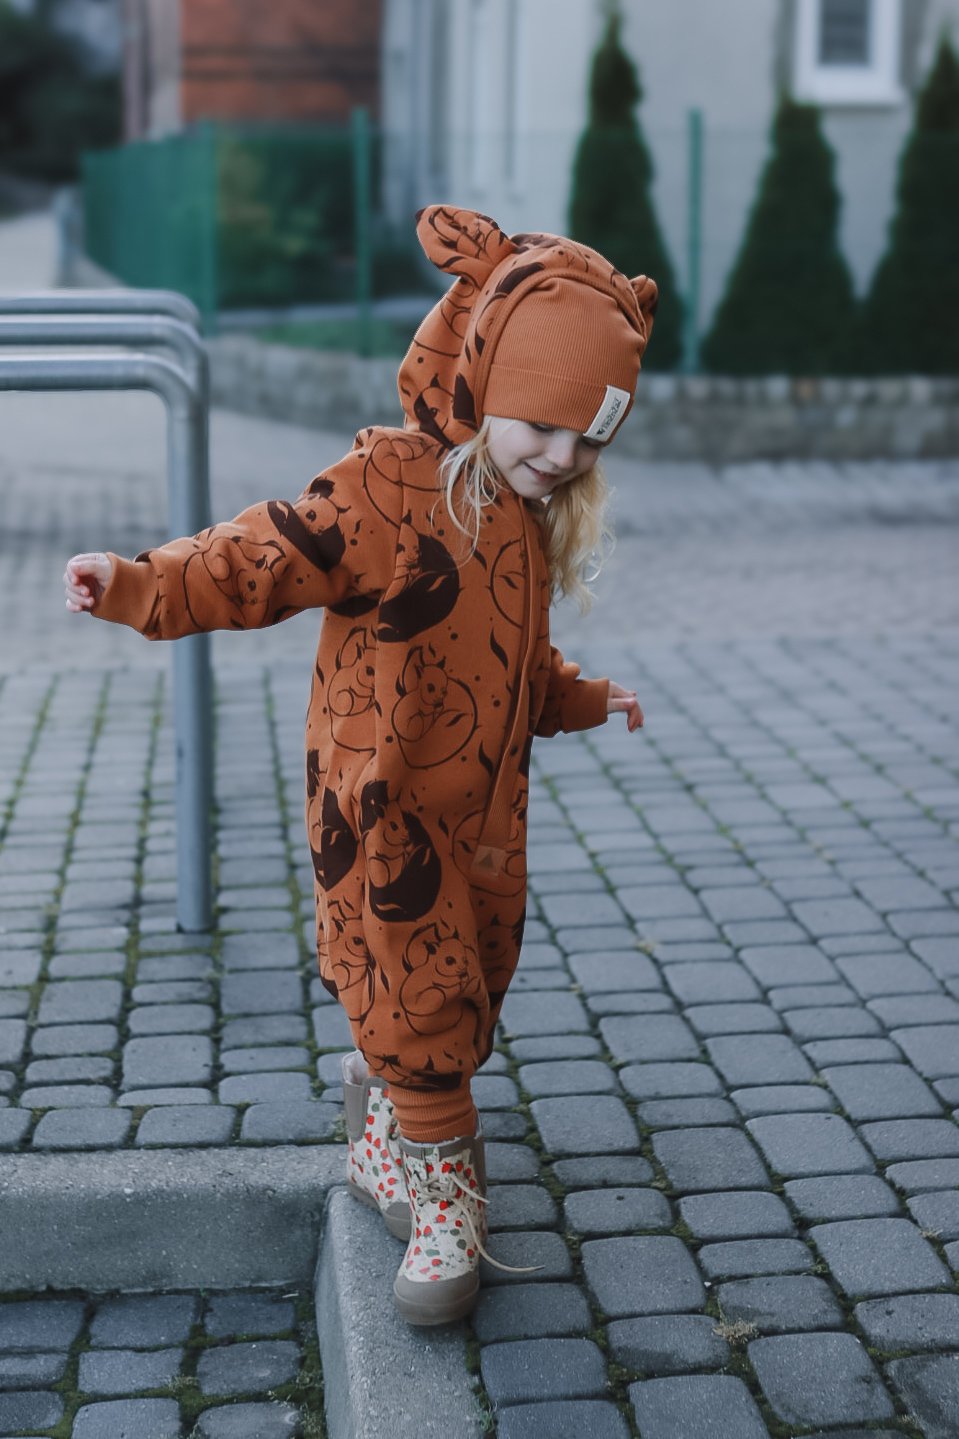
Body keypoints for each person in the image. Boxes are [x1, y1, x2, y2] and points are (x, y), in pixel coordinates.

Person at [63, 205, 656, 1326]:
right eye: (543, 425)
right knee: (424, 1003)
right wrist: (137, 581)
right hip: (379, 816)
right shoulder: (389, 486)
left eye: (588, 440)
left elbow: (509, 656)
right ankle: (445, 1193)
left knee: (463, 986)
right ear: (483, 374)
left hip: (483, 822)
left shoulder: (523, 510)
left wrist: (575, 696)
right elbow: (258, 554)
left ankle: (385, 1112)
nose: (562, 457)